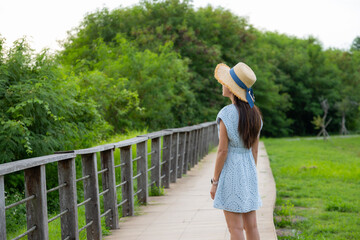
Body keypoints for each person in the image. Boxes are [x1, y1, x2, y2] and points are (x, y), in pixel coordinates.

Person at [210, 62, 263, 240]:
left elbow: (222, 151)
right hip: (249, 172)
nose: (222, 85)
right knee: (252, 227)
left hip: (232, 173)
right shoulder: (255, 114)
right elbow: (255, 151)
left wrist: (215, 182)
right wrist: (250, 173)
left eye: (225, 82)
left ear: (232, 89)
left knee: (236, 230)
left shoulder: (226, 114)